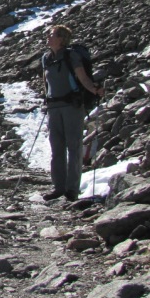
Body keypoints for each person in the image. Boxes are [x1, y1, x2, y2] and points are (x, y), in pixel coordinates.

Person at [42, 25, 105, 201]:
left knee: (74, 146)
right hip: (54, 107)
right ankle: (58, 187)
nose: (48, 37)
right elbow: (46, 83)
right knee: (57, 148)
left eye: (52, 35)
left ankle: (72, 189)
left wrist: (94, 90)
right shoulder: (46, 58)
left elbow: (83, 78)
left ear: (62, 39)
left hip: (72, 106)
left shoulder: (72, 56)